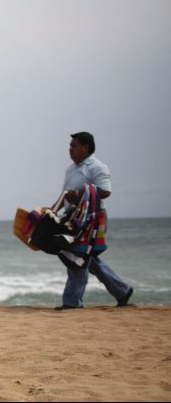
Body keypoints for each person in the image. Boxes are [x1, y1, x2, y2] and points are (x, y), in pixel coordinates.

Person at [55, 132, 134, 310]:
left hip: (92, 218)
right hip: (74, 218)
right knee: (87, 257)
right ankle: (122, 291)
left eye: (74, 145)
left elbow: (106, 191)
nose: (70, 149)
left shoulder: (97, 167)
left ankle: (72, 302)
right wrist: (53, 210)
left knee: (78, 256)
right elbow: (65, 195)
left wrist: (81, 193)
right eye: (70, 145)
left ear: (86, 147)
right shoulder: (70, 170)